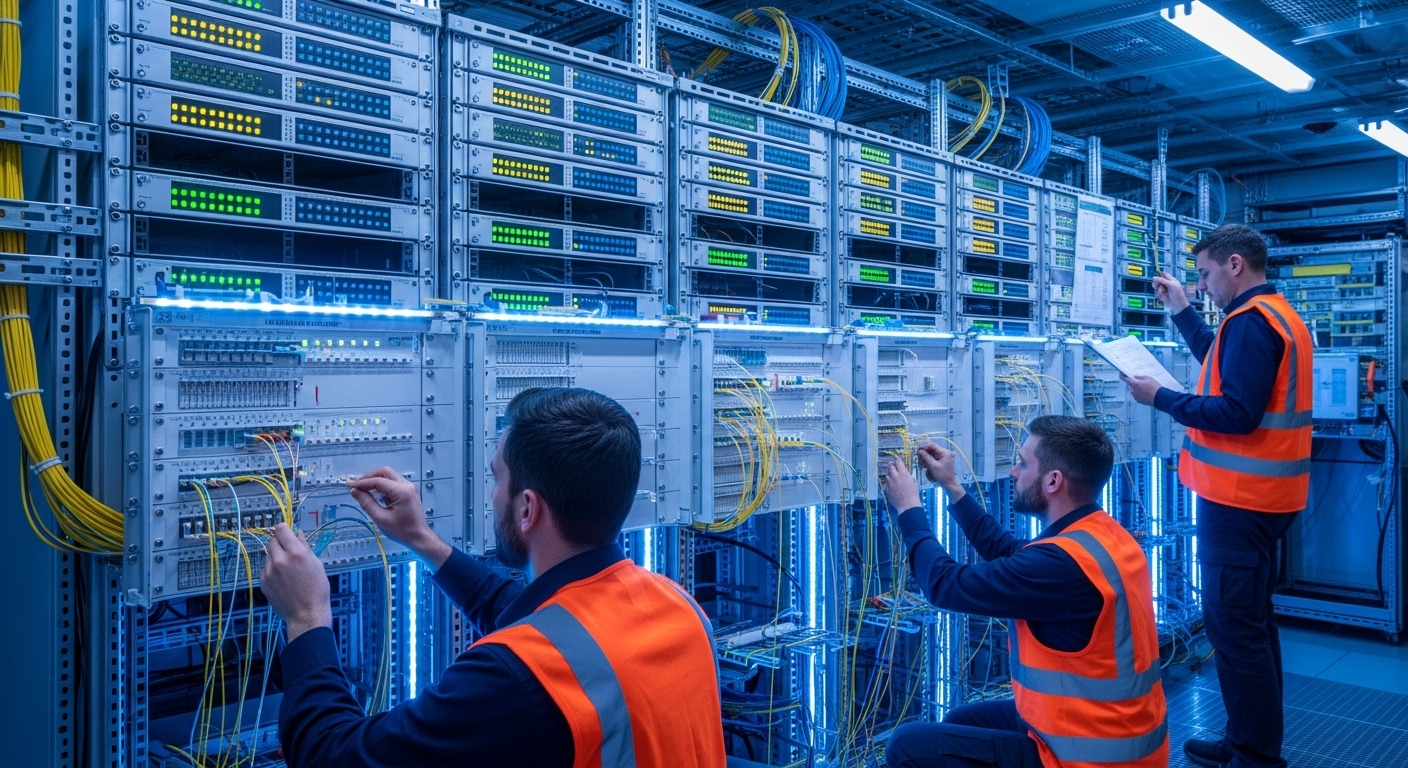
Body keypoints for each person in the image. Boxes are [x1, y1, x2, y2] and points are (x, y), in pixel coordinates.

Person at [259, 387, 727, 767]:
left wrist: (307, 616)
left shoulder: (512, 678)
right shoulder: (677, 605)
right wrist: (423, 541)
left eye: (496, 478)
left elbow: (330, 755)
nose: (492, 495)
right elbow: (546, 626)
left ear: (527, 508)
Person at [1120, 224, 1311, 768]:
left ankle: (1254, 756)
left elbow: (1237, 413)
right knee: (1252, 625)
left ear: (1234, 264)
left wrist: (1162, 398)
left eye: (1203, 275)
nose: (1201, 285)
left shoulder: (1252, 321)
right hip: (1265, 496)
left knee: (1235, 631)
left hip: (1241, 499)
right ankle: (1246, 740)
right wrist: (1182, 311)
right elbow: (1222, 364)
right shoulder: (1272, 315)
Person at [880, 416, 1167, 768]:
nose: (1013, 472)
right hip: (1115, 737)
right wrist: (952, 486)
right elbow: (1008, 550)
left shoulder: (1061, 566)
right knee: (961, 720)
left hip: (1089, 760)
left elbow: (944, 585)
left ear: (1053, 481)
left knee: (906, 745)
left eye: (1022, 463)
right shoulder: (1102, 536)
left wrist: (909, 508)